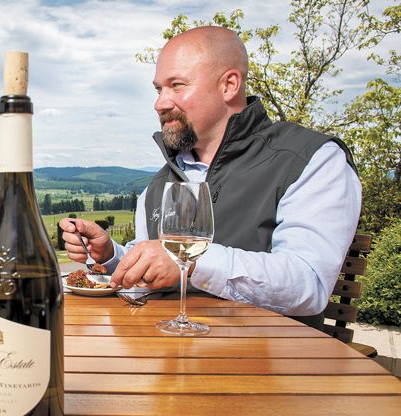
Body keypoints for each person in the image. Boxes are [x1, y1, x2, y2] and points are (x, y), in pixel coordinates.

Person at [60, 26, 361, 328]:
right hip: (165, 357)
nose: (160, 103)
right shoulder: (158, 185)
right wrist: (112, 255)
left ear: (229, 85)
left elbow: (309, 284)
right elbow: (152, 268)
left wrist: (191, 262)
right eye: (158, 89)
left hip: (270, 363)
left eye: (177, 86)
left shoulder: (310, 158)